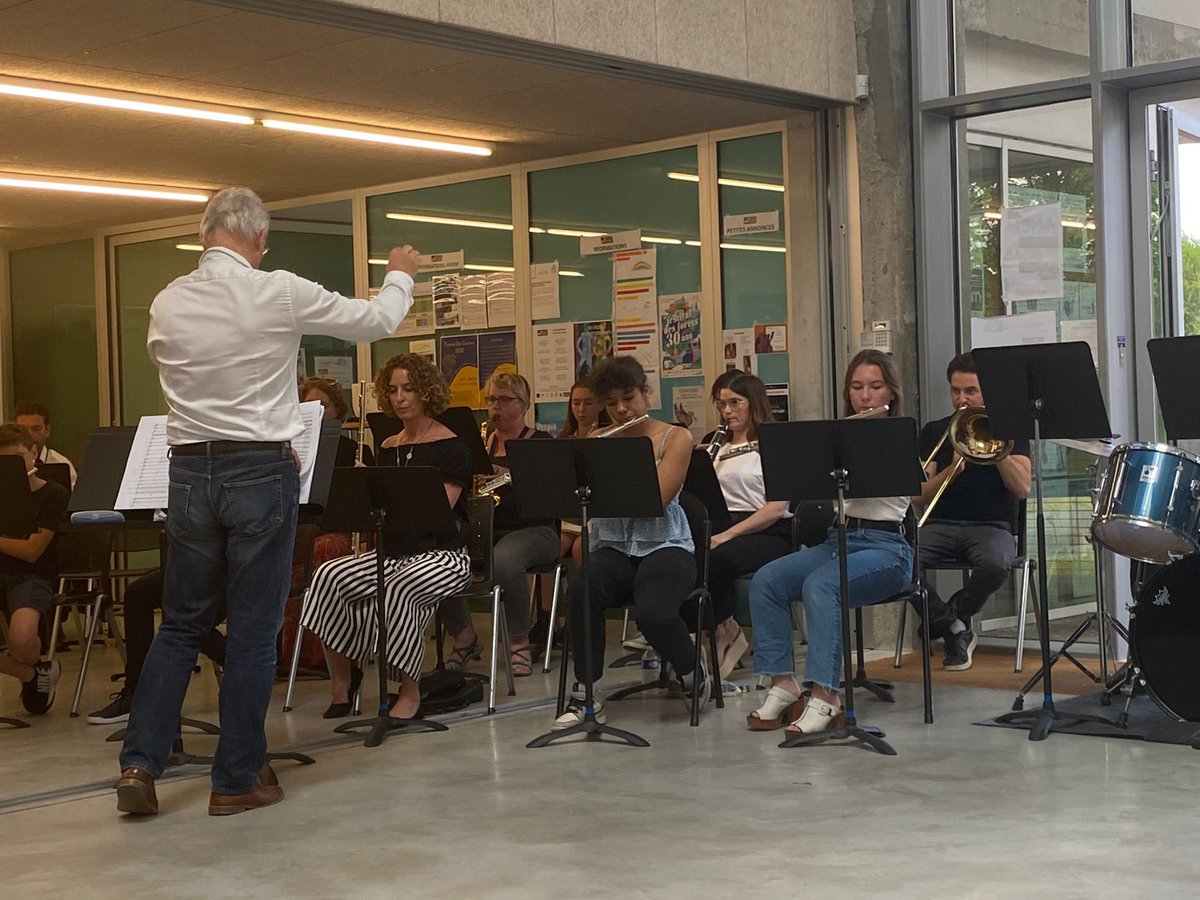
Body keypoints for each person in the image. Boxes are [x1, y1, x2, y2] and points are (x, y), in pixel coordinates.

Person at [116, 187, 420, 818]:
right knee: (254, 632)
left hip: (188, 473)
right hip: (258, 469)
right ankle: (234, 780)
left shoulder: (168, 299)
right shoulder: (274, 288)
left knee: (181, 623)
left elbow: (170, 367)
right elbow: (377, 321)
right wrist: (399, 274)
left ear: (205, 236)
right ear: (257, 239)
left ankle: (140, 765)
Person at [747, 349, 913, 736]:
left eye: (875, 386)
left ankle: (826, 695)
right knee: (767, 580)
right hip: (838, 540)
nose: (865, 396)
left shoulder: (900, 434)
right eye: (857, 387)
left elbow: (909, 494)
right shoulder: (835, 437)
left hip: (886, 548)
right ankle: (783, 684)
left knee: (821, 585)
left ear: (891, 391)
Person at [300, 354, 472, 719]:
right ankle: (344, 681)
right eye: (392, 390)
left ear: (426, 392)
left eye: (409, 389)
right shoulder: (389, 445)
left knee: (398, 587)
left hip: (443, 555)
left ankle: (408, 691)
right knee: (329, 576)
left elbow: (436, 513)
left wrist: (388, 494)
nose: (400, 397)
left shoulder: (452, 446)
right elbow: (379, 513)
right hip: (395, 553)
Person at [553, 356, 705, 729]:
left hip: (666, 545)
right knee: (581, 589)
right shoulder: (596, 442)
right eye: (611, 403)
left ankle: (691, 671)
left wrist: (613, 473)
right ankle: (587, 692)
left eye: (629, 398)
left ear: (645, 393)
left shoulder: (675, 437)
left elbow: (658, 499)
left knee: (653, 611)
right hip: (613, 546)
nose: (621, 410)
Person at [913, 352, 1031, 671]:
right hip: (940, 524)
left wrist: (999, 452)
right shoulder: (936, 430)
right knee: (899, 562)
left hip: (991, 526)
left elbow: (1022, 489)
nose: (962, 399)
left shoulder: (1010, 430)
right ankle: (954, 627)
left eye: (970, 391)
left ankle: (955, 614)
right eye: (956, 391)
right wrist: (949, 471)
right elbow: (919, 497)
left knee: (995, 564)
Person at [439, 372, 559, 677]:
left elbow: (550, 495)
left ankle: (518, 641)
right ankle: (464, 636)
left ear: (524, 404)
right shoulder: (478, 444)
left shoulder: (542, 442)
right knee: (437, 556)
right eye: (491, 399)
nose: (496, 407)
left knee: (505, 561)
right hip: (487, 526)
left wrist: (507, 477)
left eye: (504, 400)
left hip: (535, 529)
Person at [706, 373, 792, 679]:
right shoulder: (713, 446)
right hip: (722, 525)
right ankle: (715, 629)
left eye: (735, 403)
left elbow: (776, 507)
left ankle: (724, 630)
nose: (727, 411)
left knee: (716, 557)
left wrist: (727, 535)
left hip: (768, 530)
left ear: (753, 403)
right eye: (721, 404)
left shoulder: (772, 444)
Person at [86, 569, 228, 724]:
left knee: (184, 618)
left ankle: (238, 663)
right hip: (194, 562)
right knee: (138, 593)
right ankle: (135, 695)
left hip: (234, 568)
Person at [0, 423, 67, 715]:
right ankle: (32, 675)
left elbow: (31, 551)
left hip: (32, 576)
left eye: (16, 458)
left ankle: (31, 668)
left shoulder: (53, 494)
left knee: (22, 639)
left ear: (34, 454)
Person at [298, 376, 375, 467]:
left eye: (323, 405)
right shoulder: (293, 450)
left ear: (337, 410)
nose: (316, 411)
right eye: (309, 404)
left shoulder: (353, 451)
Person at [15, 402, 77, 488]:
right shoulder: (7, 464)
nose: (29, 434)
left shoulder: (60, 464)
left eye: (36, 429)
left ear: (47, 430)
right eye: (23, 429)